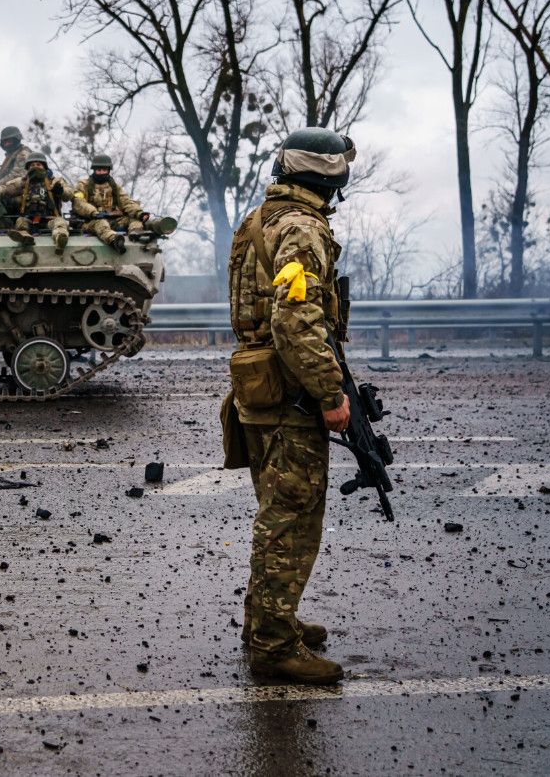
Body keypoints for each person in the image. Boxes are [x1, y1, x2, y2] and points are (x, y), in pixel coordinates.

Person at [222, 126, 357, 685]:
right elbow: (295, 320)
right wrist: (330, 394)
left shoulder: (260, 219)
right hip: (291, 395)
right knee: (290, 518)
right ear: (327, 175)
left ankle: (273, 620)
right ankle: (273, 647)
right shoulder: (302, 229)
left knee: (280, 512)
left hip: (260, 389)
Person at [71, 154, 176, 250]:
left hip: (113, 220)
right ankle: (114, 240)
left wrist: (139, 213)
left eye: (104, 170)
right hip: (90, 222)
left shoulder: (114, 186)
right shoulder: (83, 185)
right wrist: (93, 213)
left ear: (108, 170)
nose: (101, 172)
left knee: (134, 219)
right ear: (94, 170)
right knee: (101, 223)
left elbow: (126, 202)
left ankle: (136, 234)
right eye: (99, 170)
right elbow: (78, 203)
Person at [0, 152, 71, 253]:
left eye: (38, 165)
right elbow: (6, 187)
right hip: (29, 219)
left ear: (44, 167)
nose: (35, 167)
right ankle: (25, 237)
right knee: (21, 222)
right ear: (28, 168)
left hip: (49, 219)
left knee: (60, 223)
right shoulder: (23, 181)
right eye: (32, 165)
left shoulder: (54, 181)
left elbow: (69, 194)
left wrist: (61, 191)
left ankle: (60, 239)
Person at [0, 125, 32, 194]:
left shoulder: (23, 154)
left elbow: (17, 175)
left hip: (21, 193)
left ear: (16, 139)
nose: (6, 144)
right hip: (10, 190)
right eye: (4, 141)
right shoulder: (12, 154)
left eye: (9, 141)